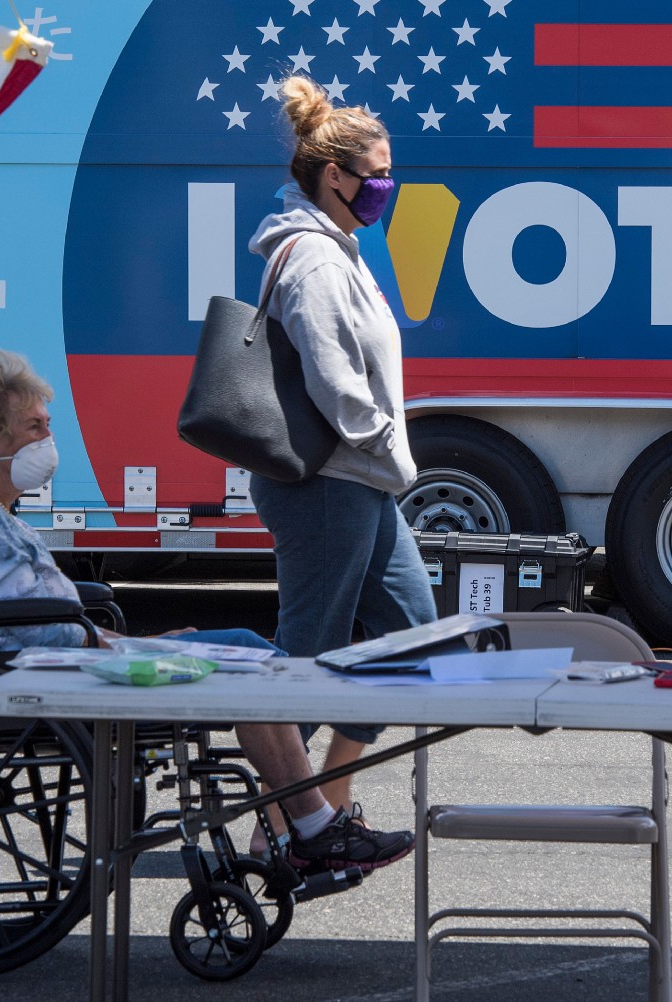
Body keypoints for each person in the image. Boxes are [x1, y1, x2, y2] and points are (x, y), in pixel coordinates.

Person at [0, 349, 414, 876]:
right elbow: (32, 627)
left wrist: (139, 642)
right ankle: (313, 825)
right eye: (32, 427)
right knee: (250, 658)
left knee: (248, 652)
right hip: (48, 678)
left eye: (47, 425)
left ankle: (310, 823)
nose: (47, 440)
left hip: (65, 660)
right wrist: (132, 645)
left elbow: (33, 617)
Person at [246, 75, 437, 822]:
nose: (387, 187)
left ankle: (326, 797)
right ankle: (285, 825)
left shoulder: (340, 248)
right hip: (331, 481)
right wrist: (389, 446)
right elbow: (334, 379)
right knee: (307, 661)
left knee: (413, 639)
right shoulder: (317, 259)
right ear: (336, 176)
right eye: (378, 173)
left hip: (360, 482)